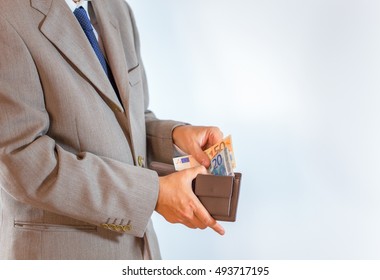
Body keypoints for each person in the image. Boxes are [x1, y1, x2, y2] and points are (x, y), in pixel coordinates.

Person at [0, 0, 224, 260]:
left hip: (139, 253)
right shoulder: (7, 16)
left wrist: (173, 137)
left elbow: (130, 119)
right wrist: (151, 195)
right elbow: (22, 160)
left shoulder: (116, 8)